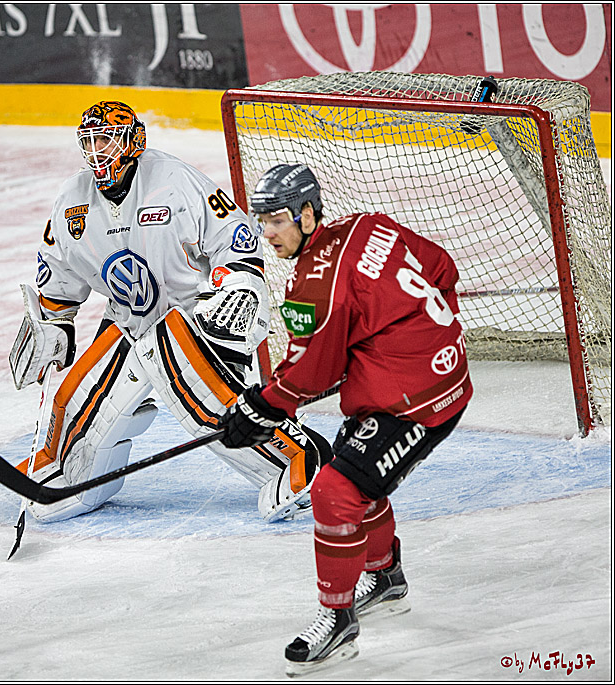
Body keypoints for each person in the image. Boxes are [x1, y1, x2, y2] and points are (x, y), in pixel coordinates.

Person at [9, 101, 328, 525]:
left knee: (201, 396)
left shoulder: (173, 179)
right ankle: (71, 473)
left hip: (193, 316)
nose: (97, 151)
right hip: (126, 322)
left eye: (105, 139)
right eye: (89, 141)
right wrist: (50, 328)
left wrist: (237, 286)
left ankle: (299, 457)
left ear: (132, 141)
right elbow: (59, 282)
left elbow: (234, 237)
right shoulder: (72, 202)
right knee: (71, 405)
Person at [218, 164, 472, 675]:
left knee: (336, 490)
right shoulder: (369, 225)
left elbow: (309, 375)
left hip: (417, 400)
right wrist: (414, 334)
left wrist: (259, 407)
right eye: (262, 221)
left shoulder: (313, 287)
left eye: (277, 221)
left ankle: (337, 621)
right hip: (432, 373)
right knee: (356, 472)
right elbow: (442, 268)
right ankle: (383, 577)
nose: (267, 234)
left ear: (308, 214)